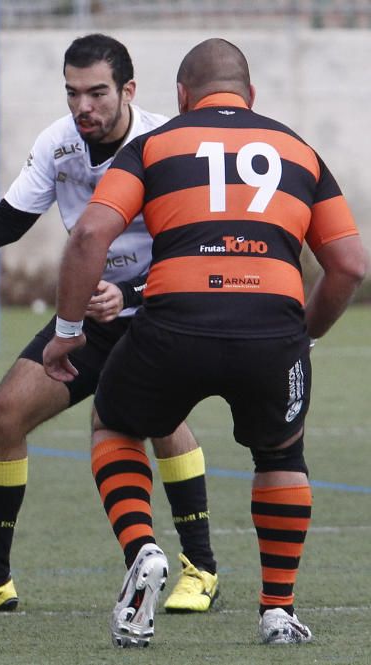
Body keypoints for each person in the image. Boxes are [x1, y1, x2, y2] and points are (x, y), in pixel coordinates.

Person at [43, 38, 366, 647]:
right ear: (252, 96)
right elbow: (349, 264)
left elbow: (89, 235)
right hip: (272, 328)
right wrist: (305, 334)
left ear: (182, 96)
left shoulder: (154, 145)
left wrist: (66, 333)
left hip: (175, 322)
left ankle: (143, 548)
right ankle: (276, 610)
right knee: (280, 456)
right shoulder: (300, 150)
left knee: (113, 425)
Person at [0, 33, 218, 616]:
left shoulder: (166, 145)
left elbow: (197, 243)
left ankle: (200, 569)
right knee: (2, 415)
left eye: (98, 93)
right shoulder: (60, 144)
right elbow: (8, 221)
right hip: (86, 317)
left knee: (157, 419)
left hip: (160, 310)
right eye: (73, 93)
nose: (83, 106)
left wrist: (132, 290)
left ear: (129, 91)